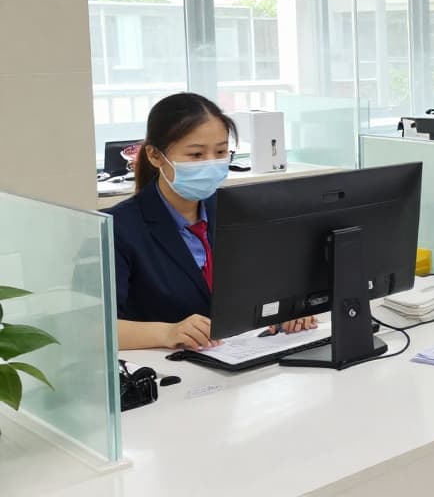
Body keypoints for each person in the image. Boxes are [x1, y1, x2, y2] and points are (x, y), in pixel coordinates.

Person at [111, 93, 317, 351]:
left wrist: (289, 308)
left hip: (240, 360)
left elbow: (266, 287)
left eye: (220, 152)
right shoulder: (118, 228)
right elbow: (93, 328)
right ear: (154, 155)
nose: (210, 163)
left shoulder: (237, 212)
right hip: (168, 367)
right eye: (196, 154)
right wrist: (167, 332)